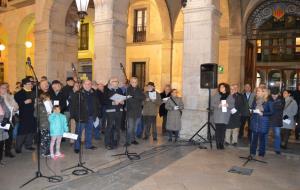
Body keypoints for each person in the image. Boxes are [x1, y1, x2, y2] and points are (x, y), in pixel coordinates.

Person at [70, 80, 100, 153]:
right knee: (78, 132)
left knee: (89, 131)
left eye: (89, 84)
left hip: (91, 116)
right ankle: (77, 147)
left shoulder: (93, 93)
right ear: (82, 85)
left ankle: (88, 145)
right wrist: (75, 116)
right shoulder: (78, 93)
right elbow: (73, 106)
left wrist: (95, 114)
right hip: (81, 116)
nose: (88, 85)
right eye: (86, 84)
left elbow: (97, 104)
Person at [14, 77, 36, 153]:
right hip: (24, 115)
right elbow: (15, 105)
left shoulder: (34, 92)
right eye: (28, 84)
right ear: (23, 85)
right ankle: (18, 147)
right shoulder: (18, 94)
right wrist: (24, 102)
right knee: (22, 132)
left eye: (31, 84)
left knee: (31, 131)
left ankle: (28, 145)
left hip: (33, 115)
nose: (30, 85)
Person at [250, 87, 272, 157]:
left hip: (263, 121)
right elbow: (252, 107)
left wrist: (263, 113)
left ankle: (261, 153)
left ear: (263, 92)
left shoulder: (268, 101)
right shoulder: (255, 100)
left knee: (262, 139)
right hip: (255, 120)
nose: (257, 92)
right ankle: (252, 152)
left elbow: (272, 112)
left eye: (258, 91)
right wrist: (251, 110)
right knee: (254, 139)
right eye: (257, 91)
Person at [103, 77, 124, 149]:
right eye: (115, 81)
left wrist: (122, 102)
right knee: (109, 127)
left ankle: (116, 142)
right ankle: (107, 143)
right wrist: (113, 102)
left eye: (117, 81)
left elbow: (122, 98)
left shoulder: (120, 90)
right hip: (110, 111)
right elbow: (104, 101)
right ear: (110, 82)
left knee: (117, 128)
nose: (116, 82)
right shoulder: (106, 90)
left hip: (119, 111)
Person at [212, 83, 234, 150]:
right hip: (218, 115)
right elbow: (212, 103)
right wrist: (218, 105)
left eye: (222, 87)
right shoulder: (216, 95)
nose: (221, 88)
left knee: (223, 131)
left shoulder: (230, 96)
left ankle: (221, 143)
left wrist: (228, 105)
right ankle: (218, 144)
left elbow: (232, 105)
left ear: (226, 88)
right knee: (218, 130)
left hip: (225, 116)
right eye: (220, 87)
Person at [0, 82, 19, 158]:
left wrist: (14, 108)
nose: (4, 89)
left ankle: (8, 151)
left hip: (10, 119)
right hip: (1, 120)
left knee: (9, 136)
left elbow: (16, 106)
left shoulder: (10, 96)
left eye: (6, 87)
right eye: (2, 87)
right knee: (1, 137)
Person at [126, 77, 145, 145]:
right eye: (133, 82)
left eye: (135, 82)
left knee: (135, 127)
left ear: (137, 82)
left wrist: (134, 96)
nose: (134, 83)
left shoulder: (139, 89)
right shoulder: (128, 89)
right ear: (130, 82)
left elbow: (143, 97)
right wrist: (137, 98)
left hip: (138, 111)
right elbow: (129, 100)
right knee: (130, 127)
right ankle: (128, 141)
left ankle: (133, 139)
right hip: (130, 112)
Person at [34, 93, 52, 157]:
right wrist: (45, 114)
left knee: (49, 138)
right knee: (44, 138)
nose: (49, 99)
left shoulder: (50, 104)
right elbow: (35, 115)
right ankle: (44, 152)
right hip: (43, 124)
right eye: (48, 98)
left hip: (50, 123)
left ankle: (48, 151)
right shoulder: (39, 105)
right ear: (44, 98)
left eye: (49, 98)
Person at [268, 88, 284, 155]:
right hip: (269, 119)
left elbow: (280, 108)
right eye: (273, 94)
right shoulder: (268, 99)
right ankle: (263, 147)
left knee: (277, 135)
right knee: (266, 134)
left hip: (277, 120)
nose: (274, 95)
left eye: (275, 94)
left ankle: (277, 149)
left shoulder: (282, 99)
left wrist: (272, 105)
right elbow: (268, 108)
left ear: (278, 94)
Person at [0, 96, 11, 165]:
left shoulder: (1, 99)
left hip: (2, 124)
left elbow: (7, 110)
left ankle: (0, 160)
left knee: (1, 143)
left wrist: (6, 118)